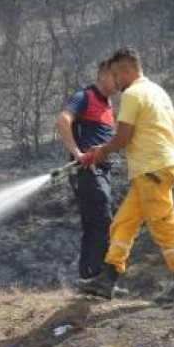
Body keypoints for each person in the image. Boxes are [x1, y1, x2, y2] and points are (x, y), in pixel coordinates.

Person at [78, 47, 174, 306]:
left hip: (152, 169)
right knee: (124, 223)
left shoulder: (133, 94)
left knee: (164, 225)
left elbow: (123, 137)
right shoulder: (158, 91)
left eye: (116, 75)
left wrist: (100, 152)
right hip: (157, 168)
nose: (115, 82)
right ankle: (107, 279)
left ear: (127, 70)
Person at [55, 60, 118, 280]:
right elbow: (63, 120)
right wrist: (78, 153)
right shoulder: (84, 96)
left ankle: (88, 278)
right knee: (102, 220)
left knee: (94, 223)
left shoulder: (109, 105)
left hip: (103, 170)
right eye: (114, 75)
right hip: (88, 171)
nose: (118, 81)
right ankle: (99, 277)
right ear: (101, 75)